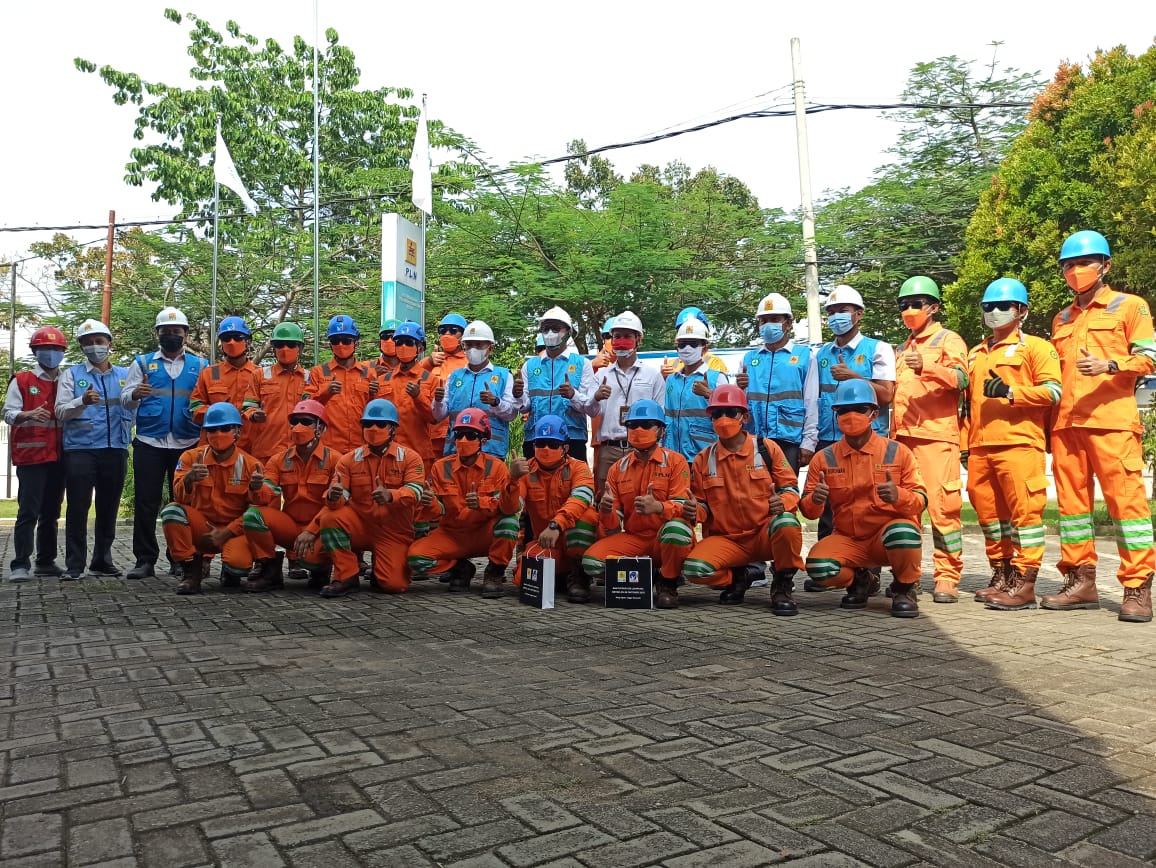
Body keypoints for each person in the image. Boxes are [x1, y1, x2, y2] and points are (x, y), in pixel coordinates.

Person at [1047, 231, 1156, 622]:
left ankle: (1137, 587)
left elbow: (1149, 359)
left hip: (1112, 423)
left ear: (1105, 265)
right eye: (1068, 265)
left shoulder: (1131, 307)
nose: (1076, 271)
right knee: (1073, 510)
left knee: (1127, 508)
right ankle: (1080, 581)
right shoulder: (1061, 318)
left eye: (1084, 263)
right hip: (1066, 425)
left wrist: (1111, 364)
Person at [961, 278, 1061, 610]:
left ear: (1022, 311)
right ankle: (1001, 575)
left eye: (1003, 306)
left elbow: (1053, 392)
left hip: (1019, 445)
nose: (994, 312)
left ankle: (1024, 582)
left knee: (1025, 517)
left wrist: (1011, 392)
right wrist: (966, 445)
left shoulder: (1037, 348)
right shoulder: (976, 354)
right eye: (988, 307)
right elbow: (966, 406)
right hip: (980, 447)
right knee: (990, 518)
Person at [800, 380, 927, 617]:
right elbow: (808, 512)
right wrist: (816, 500)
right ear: (835, 414)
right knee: (818, 567)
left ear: (874, 414)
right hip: (848, 539)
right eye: (843, 410)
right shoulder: (823, 458)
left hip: (886, 537)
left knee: (905, 533)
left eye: (859, 409)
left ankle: (904, 586)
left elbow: (921, 500)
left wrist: (898, 495)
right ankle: (860, 580)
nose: (851, 415)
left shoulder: (898, 452)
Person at [681, 385, 805, 615]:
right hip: (727, 540)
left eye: (731, 412)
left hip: (763, 534)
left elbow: (790, 488)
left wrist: (784, 503)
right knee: (694, 569)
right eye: (717, 414)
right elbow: (702, 506)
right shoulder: (703, 459)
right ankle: (740, 577)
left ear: (745, 417)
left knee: (787, 524)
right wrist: (693, 510)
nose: (723, 419)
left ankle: (782, 584)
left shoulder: (767, 449)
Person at [806, 285, 897, 591]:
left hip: (871, 443)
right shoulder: (820, 355)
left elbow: (886, 394)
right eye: (831, 312)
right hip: (831, 442)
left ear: (858, 314)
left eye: (842, 311)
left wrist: (855, 377)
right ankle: (832, 568)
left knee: (869, 506)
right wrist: (811, 440)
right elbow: (814, 399)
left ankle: (869, 573)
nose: (836, 317)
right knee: (831, 508)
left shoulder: (878, 348)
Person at [891, 276, 969, 603]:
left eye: (916, 304)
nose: (909, 310)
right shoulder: (902, 348)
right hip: (903, 440)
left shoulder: (948, 340)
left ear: (933, 307)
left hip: (937, 438)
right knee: (905, 511)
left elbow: (962, 378)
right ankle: (908, 577)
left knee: (943, 509)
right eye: (904, 305)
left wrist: (928, 366)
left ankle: (947, 577)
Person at [121, 307, 209, 580]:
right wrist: (135, 392)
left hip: (187, 441)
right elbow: (125, 399)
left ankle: (181, 558)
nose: (171, 335)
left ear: (185, 334)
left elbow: (206, 400)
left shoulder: (200, 365)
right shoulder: (143, 363)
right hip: (150, 441)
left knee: (183, 503)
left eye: (176, 331)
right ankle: (145, 560)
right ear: (157, 333)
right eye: (166, 331)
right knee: (146, 502)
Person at [581, 400, 694, 609]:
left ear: (661, 430)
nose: (638, 430)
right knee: (592, 562)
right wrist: (606, 511)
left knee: (677, 530)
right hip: (635, 539)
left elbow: (683, 506)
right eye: (632, 425)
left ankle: (668, 583)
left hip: (665, 536)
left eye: (647, 424)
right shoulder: (617, 468)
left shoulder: (677, 463)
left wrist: (660, 507)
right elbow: (614, 526)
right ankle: (646, 574)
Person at [313, 399, 425, 597]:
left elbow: (416, 491)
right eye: (368, 424)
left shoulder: (410, 458)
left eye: (381, 424)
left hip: (394, 531)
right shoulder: (348, 460)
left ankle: (382, 567)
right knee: (331, 518)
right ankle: (346, 576)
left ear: (393, 429)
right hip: (361, 526)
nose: (373, 428)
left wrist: (392, 495)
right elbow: (339, 498)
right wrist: (333, 496)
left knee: (393, 585)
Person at [408, 409, 522, 598]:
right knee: (415, 559)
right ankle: (459, 565)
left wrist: (484, 501)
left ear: (483, 441)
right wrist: (429, 503)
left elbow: (508, 507)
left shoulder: (497, 467)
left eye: (470, 436)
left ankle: (495, 571)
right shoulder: (440, 467)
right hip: (451, 535)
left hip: (484, 533)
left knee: (509, 523)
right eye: (459, 434)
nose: (463, 440)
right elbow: (438, 511)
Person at [161, 402, 273, 594]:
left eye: (225, 428)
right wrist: (188, 480)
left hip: (234, 530)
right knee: (172, 511)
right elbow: (179, 499)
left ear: (237, 431)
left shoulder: (251, 465)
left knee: (238, 565)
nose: (218, 434)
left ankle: (231, 571)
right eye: (212, 429)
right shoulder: (190, 458)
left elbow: (255, 511)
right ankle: (191, 572)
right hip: (202, 527)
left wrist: (228, 532)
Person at [54, 318, 133, 579]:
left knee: (109, 507)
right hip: (81, 450)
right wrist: (82, 400)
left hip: (115, 448)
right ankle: (75, 565)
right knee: (77, 507)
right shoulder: (72, 375)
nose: (94, 347)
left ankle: (102, 559)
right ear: (81, 347)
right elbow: (60, 412)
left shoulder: (125, 374)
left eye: (99, 341)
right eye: (87, 343)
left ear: (109, 344)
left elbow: (135, 408)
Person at [240, 399, 333, 591]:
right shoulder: (278, 460)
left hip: (320, 529)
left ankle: (321, 570)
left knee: (321, 548)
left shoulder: (335, 460)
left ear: (320, 428)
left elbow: (335, 506)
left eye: (306, 421)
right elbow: (267, 494)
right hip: (291, 527)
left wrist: (312, 530)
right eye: (294, 422)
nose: (298, 427)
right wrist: (257, 488)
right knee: (253, 515)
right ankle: (270, 571)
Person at [507, 415, 597, 602]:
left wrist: (556, 525)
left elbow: (581, 498)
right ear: (533, 446)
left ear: (565, 448)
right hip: (547, 542)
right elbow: (511, 508)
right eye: (541, 443)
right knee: (523, 578)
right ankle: (561, 576)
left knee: (585, 516)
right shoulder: (525, 471)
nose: (546, 449)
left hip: (569, 538)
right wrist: (512, 481)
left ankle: (579, 575)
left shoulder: (579, 468)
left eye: (553, 444)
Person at [4, 326, 68, 582]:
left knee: (52, 511)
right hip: (32, 456)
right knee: (28, 511)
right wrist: (26, 415)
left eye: (56, 349)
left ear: (63, 352)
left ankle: (46, 561)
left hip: (60, 455)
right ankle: (20, 563)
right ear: (35, 351)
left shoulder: (67, 380)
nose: (51, 353)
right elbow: (7, 413)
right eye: (45, 348)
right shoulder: (22, 380)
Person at [738, 292, 819, 472]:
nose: (768, 325)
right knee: (754, 493)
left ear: (788, 323)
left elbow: (811, 401)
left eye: (774, 319)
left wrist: (809, 441)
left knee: (786, 493)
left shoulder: (805, 357)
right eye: (763, 320)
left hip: (789, 440)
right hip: (753, 439)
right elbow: (742, 404)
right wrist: (740, 388)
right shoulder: (749, 359)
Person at [592, 311, 666, 497]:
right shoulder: (601, 376)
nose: (621, 340)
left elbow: (661, 415)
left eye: (627, 336)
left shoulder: (652, 376)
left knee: (642, 501)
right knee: (607, 505)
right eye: (617, 336)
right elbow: (590, 410)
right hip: (609, 450)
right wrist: (596, 397)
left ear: (638, 339)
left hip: (643, 451)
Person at [514, 306, 598, 460]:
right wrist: (518, 395)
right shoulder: (530, 366)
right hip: (536, 439)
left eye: (555, 328)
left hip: (571, 439)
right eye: (546, 329)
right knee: (534, 484)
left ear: (568, 333)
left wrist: (573, 395)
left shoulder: (582, 364)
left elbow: (592, 409)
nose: (550, 333)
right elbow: (525, 407)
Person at [432, 320, 518, 458]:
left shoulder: (503, 375)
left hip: (490, 451)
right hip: (456, 450)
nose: (473, 349)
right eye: (469, 345)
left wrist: (495, 402)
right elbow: (438, 415)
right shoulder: (454, 376)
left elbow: (512, 414)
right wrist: (437, 401)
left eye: (479, 345)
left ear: (490, 347)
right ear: (463, 347)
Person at [303, 315, 378, 456]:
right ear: (330, 344)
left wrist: (374, 394)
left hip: (362, 448)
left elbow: (377, 411)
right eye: (335, 340)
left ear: (356, 343)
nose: (341, 345)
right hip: (327, 449)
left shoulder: (369, 373)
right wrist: (325, 393)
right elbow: (305, 406)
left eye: (346, 340)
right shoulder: (318, 373)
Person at [663, 317, 731, 464]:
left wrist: (709, 394)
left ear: (704, 348)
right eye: (682, 344)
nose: (687, 348)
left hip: (705, 455)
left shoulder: (716, 378)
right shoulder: (671, 380)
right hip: (672, 456)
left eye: (693, 344)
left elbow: (731, 416)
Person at [189, 316, 261, 453]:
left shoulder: (259, 374)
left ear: (248, 341)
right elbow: (194, 407)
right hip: (213, 449)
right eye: (226, 338)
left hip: (251, 449)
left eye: (237, 337)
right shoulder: (211, 373)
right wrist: (218, 413)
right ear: (221, 343)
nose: (232, 342)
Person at [244, 321, 311, 465]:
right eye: (279, 345)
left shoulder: (309, 378)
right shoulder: (259, 375)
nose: (285, 349)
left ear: (301, 347)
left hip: (300, 453)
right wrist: (254, 415)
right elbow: (247, 407)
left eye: (291, 345)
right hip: (266, 452)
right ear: (273, 349)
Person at [375, 321, 438, 466]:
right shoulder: (382, 380)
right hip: (387, 454)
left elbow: (434, 418)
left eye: (409, 342)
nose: (403, 347)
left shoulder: (431, 379)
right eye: (399, 342)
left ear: (420, 347)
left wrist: (418, 397)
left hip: (419, 453)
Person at [423, 313, 471, 457]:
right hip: (432, 434)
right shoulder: (431, 361)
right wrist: (428, 363)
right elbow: (411, 378)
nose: (447, 334)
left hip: (461, 434)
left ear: (463, 335)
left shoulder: (470, 363)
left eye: (453, 330)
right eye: (443, 331)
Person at [662, 307, 730, 377]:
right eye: (683, 342)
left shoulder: (714, 362)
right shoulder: (672, 364)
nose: (687, 333)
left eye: (693, 343)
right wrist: (665, 378)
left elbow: (720, 386)